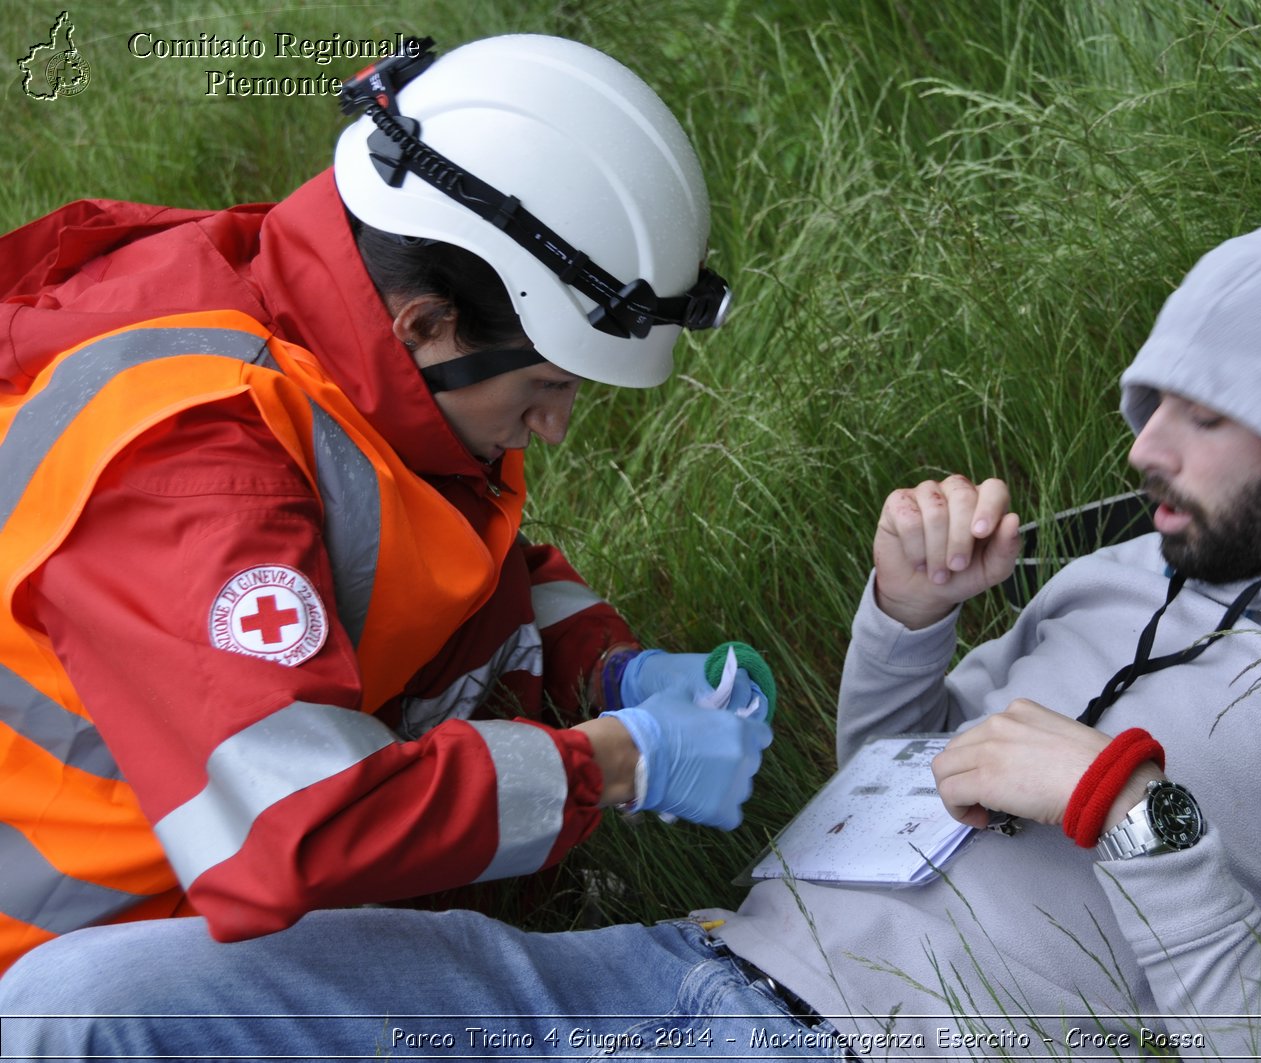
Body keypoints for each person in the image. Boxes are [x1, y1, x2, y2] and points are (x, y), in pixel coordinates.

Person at [0, 223, 1261, 1060]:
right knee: (72, 1006)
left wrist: (1132, 809)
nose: (1149, 447)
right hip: (668, 970)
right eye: (1149, 398)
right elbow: (901, 785)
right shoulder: (1117, 584)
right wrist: (906, 622)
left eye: (1207, 418)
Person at [0, 34, 775, 978]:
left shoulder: (337, 321)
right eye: (546, 384)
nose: (559, 425)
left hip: (196, 885)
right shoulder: (190, 466)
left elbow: (429, 572)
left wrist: (611, 674)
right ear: (427, 322)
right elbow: (297, 829)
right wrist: (613, 763)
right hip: (84, 959)